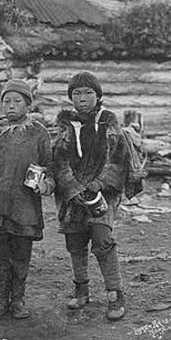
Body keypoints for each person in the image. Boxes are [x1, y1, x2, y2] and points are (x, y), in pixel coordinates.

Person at [0, 79, 55, 320]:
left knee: (20, 257)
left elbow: (49, 167)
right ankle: (0, 301)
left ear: (28, 104)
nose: (11, 106)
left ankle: (17, 301)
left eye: (17, 101)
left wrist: (45, 184)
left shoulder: (38, 132)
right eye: (6, 101)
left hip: (25, 208)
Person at [52, 71, 126, 321]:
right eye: (77, 93)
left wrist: (98, 183)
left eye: (88, 93)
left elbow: (118, 159)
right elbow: (59, 161)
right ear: (71, 97)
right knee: (75, 242)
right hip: (73, 197)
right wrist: (72, 187)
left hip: (101, 195)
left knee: (103, 239)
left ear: (98, 95)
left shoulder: (108, 123)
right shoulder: (65, 126)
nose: (82, 98)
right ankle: (81, 290)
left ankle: (115, 294)